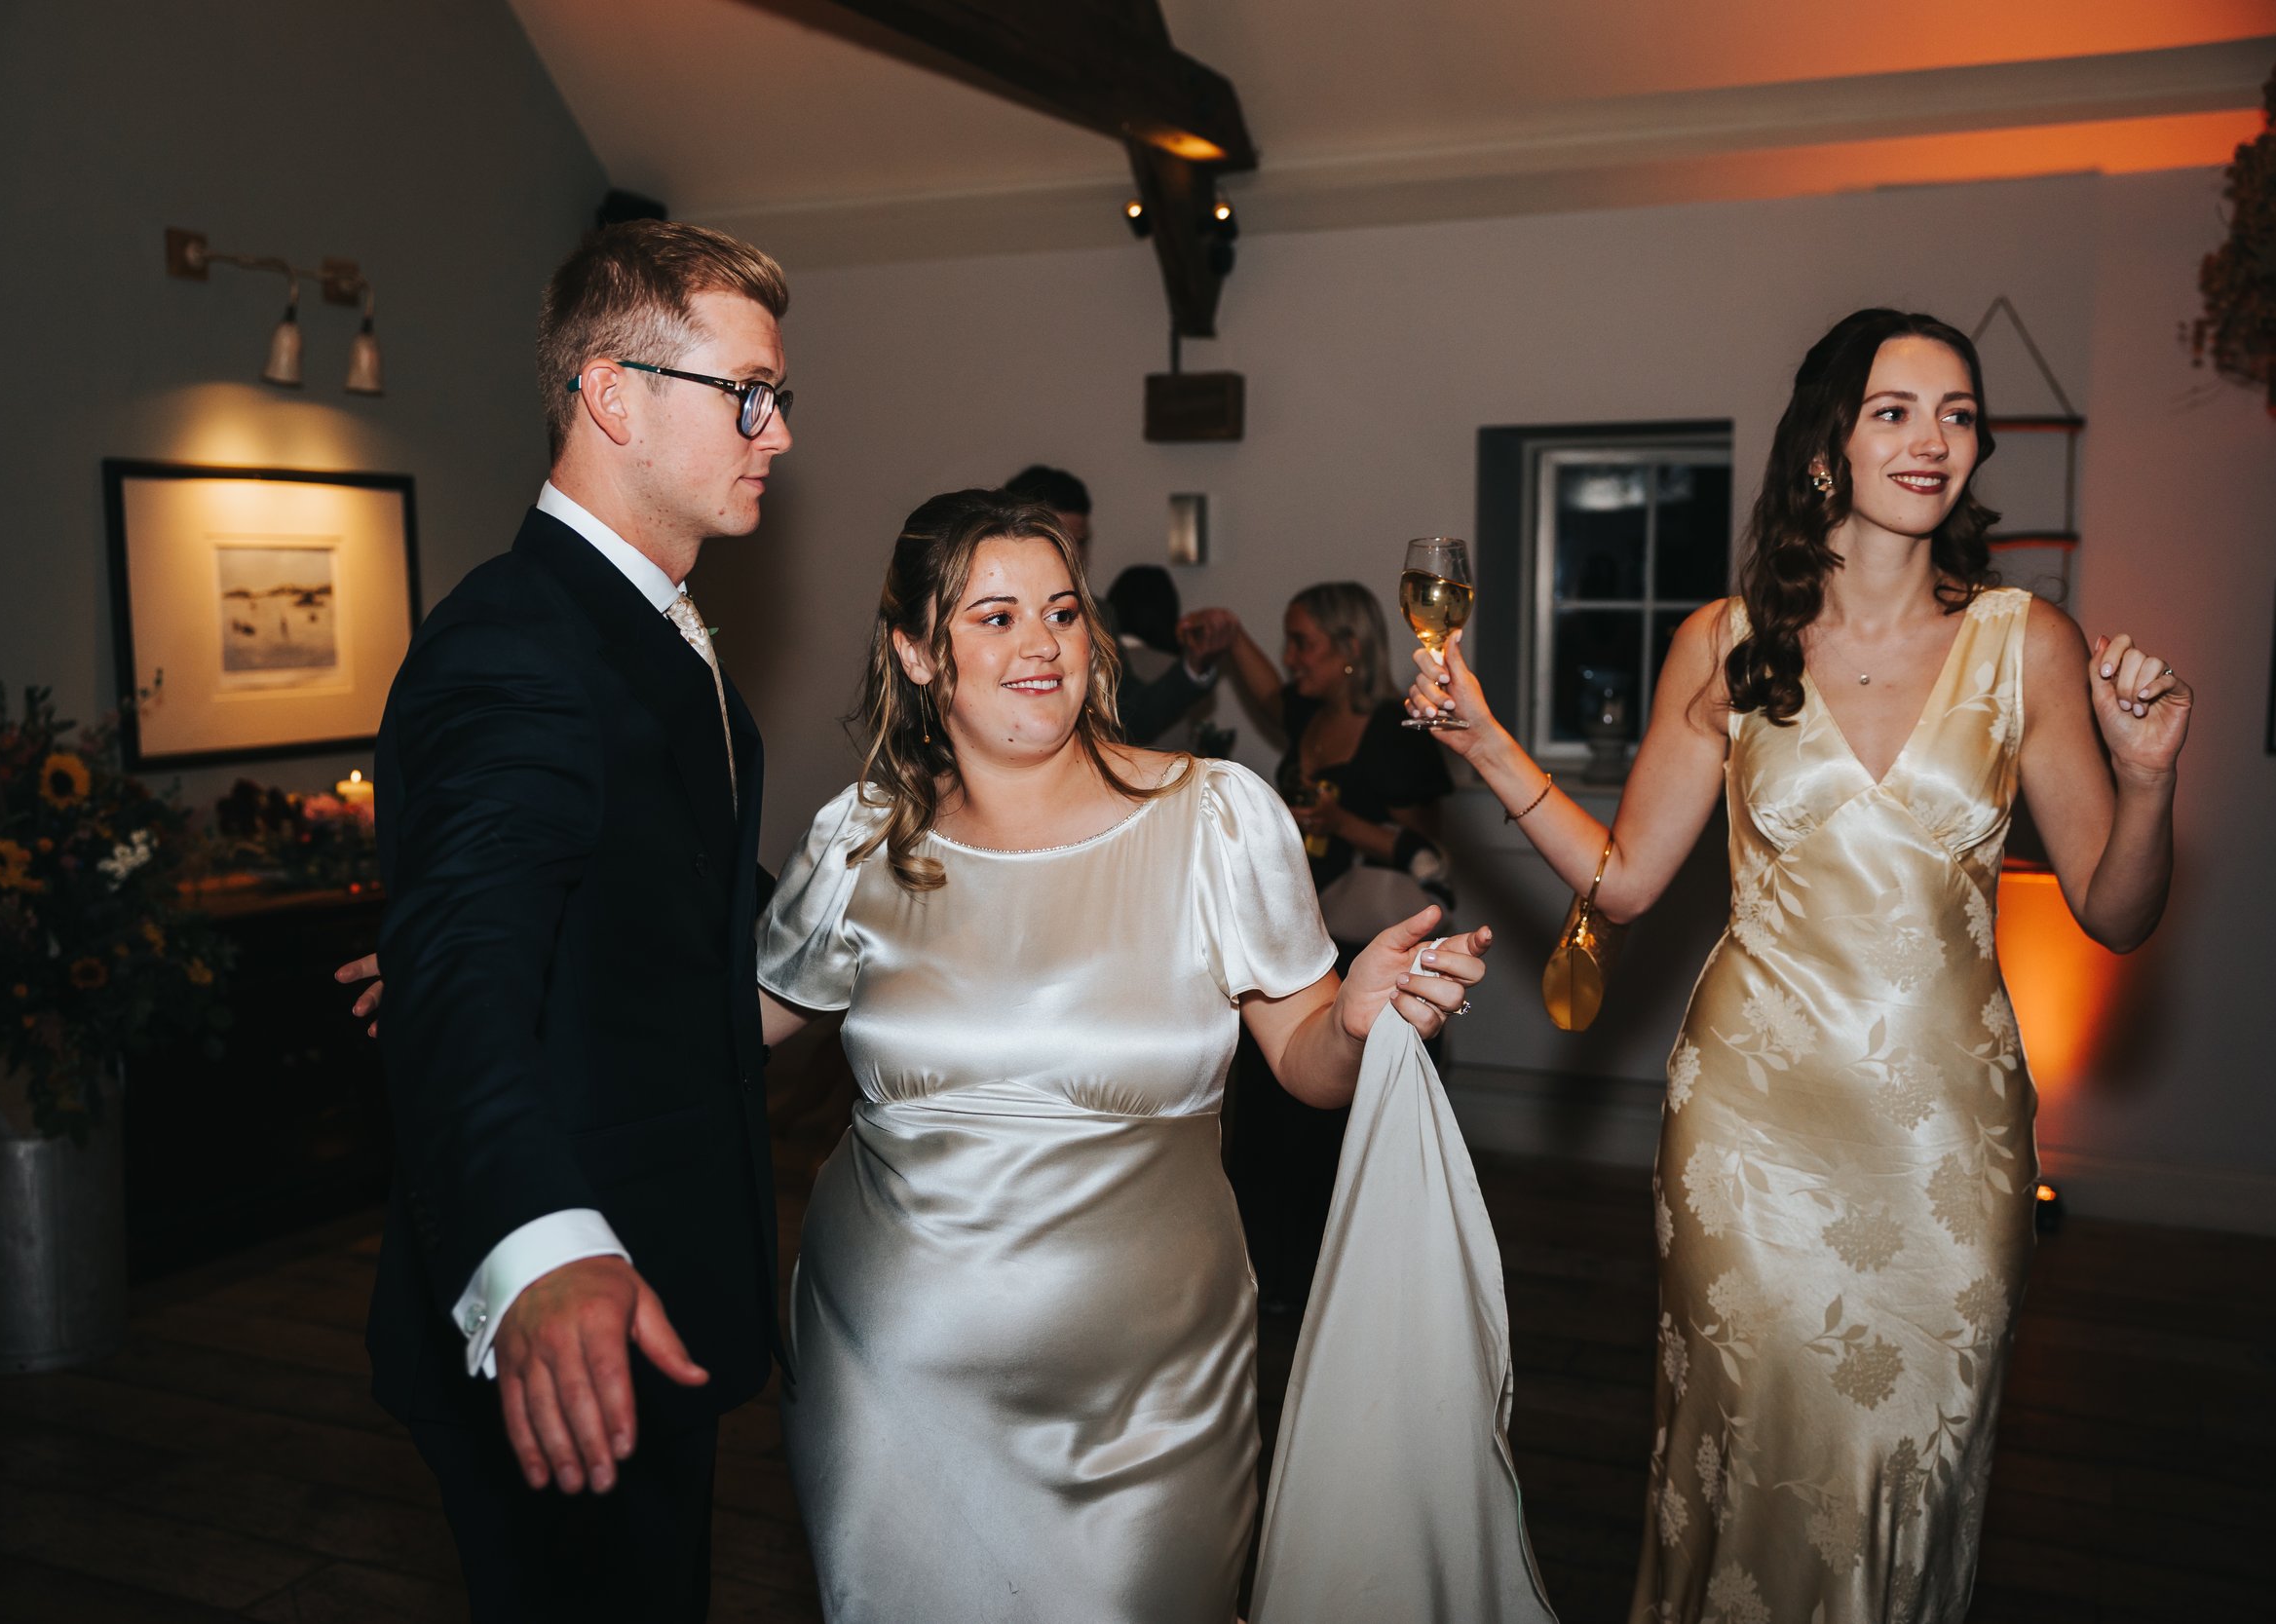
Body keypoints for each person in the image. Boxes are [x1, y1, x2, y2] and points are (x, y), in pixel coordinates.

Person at [1405, 309, 2191, 1624]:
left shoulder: (2027, 641)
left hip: (1948, 1140)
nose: (1932, 439)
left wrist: (2151, 781)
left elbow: (2118, 909)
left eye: (1955, 412)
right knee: (1746, 1453)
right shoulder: (1725, 642)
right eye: (1895, 409)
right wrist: (1486, 745)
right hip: (1751, 1131)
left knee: (1913, 1460)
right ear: (1828, 442)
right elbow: (1626, 880)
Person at [751, 489, 1498, 1620]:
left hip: (1151, 1383)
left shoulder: (1212, 817)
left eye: (1059, 610)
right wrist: (507, 988)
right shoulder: (859, 839)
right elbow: (714, 1031)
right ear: (913, 649)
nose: (1040, 643)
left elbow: (1300, 1056)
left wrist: (1354, 1018)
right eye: (993, 617)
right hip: (891, 1368)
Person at [355, 220, 794, 1621]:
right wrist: (540, 1241)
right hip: (572, 1318)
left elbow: (676, 906)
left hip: (662, 1283)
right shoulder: (519, 640)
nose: (775, 432)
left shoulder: (650, 634)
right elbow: (467, 967)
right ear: (613, 394)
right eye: (748, 392)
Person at [1185, 584, 1455, 1308]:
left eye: (1303, 641)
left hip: (1368, 950)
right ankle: (1273, 1278)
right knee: (1275, 1121)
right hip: (1289, 942)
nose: (1289, 656)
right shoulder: (1307, 715)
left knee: (1345, 1132)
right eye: (1286, 639)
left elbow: (1431, 852)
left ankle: (1355, 1289)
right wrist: (1231, 631)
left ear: (1349, 650)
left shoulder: (1400, 732)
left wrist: (1343, 820)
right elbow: (1267, 687)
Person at [1003, 464, 1221, 743]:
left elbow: (1128, 718)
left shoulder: (1098, 614)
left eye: (1079, 543)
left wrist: (1194, 665)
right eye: (1057, 542)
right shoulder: (979, 614)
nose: (1073, 557)